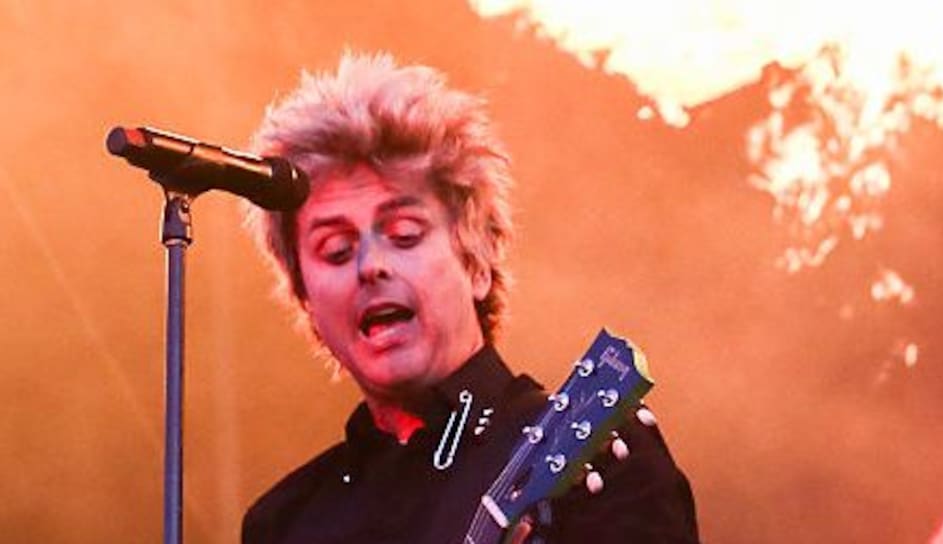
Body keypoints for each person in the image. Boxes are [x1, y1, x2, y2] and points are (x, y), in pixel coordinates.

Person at [240, 52, 698, 543]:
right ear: (306, 302)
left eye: (404, 234)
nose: (370, 266)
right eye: (336, 249)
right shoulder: (283, 522)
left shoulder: (598, 455)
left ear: (477, 263)